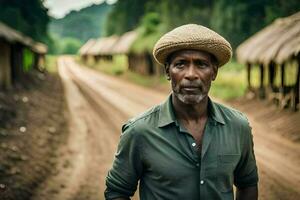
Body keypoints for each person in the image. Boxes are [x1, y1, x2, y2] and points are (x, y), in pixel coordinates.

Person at [105, 24, 258, 200]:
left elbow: (247, 184)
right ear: (168, 71)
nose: (191, 74)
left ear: (214, 72)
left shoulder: (238, 127)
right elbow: (117, 192)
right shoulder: (139, 132)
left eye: (201, 64)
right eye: (181, 64)